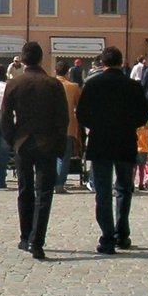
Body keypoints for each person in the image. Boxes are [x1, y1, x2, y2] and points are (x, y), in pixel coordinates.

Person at [75, 45, 148, 254]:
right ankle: (122, 234)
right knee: (124, 188)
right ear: (121, 62)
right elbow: (143, 115)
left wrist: (96, 125)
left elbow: (81, 114)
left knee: (103, 190)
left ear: (102, 62)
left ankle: (107, 237)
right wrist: (128, 124)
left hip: (100, 141)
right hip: (125, 141)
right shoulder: (133, 86)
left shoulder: (93, 84)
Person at [0, 41, 68, 260]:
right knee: (44, 192)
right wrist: (59, 143)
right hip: (47, 142)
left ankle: (25, 235)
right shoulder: (52, 84)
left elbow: (5, 116)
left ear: (22, 59)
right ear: (40, 59)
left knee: (25, 189)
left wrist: (12, 139)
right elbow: (63, 118)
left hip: (23, 142)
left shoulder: (14, 83)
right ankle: (37, 241)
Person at [53, 59, 81, 195]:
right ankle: (59, 184)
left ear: (55, 71)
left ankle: (50, 181)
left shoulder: (49, 84)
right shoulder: (73, 86)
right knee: (63, 157)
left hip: (50, 126)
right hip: (68, 126)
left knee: (50, 156)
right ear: (67, 72)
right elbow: (79, 106)